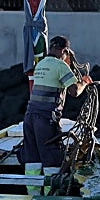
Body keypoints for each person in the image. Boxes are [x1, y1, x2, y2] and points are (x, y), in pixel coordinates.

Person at [22, 34, 92, 188]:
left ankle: (33, 193)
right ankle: (50, 194)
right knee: (51, 157)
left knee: (32, 159)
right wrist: (84, 82)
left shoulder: (41, 64)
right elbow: (75, 91)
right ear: (64, 51)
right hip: (45, 119)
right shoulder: (60, 66)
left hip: (29, 117)